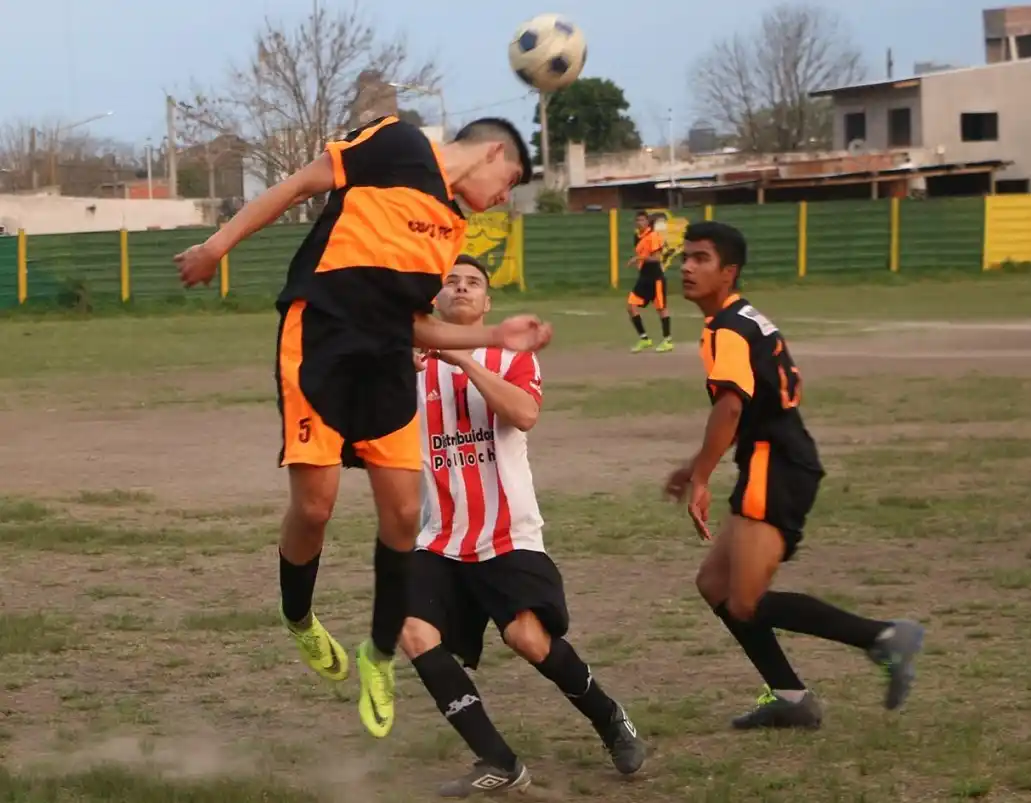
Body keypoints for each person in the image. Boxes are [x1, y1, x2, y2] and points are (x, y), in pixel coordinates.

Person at [173, 115, 552, 741]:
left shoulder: (451, 226)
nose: (504, 197)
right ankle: (299, 616)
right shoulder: (398, 142)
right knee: (315, 508)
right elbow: (299, 184)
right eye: (510, 181)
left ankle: (379, 653)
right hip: (319, 340)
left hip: (386, 362)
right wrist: (218, 246)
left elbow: (414, 325)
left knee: (402, 515)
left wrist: (493, 334)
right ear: (493, 153)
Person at [400, 254, 646, 797]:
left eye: (473, 283)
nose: (461, 288)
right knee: (413, 632)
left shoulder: (510, 356)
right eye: (451, 281)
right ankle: (498, 760)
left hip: (507, 533)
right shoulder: (408, 362)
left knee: (527, 638)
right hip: (439, 536)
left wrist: (462, 359)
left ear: (487, 302)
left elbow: (524, 414)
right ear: (436, 298)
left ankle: (609, 718)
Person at [664, 221, 925, 730]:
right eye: (685, 258)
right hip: (773, 457)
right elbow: (748, 407)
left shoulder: (727, 329)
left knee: (745, 602)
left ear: (728, 271)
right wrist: (694, 466)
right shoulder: (738, 318)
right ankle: (790, 697)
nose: (688, 268)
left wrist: (701, 478)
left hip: (776, 463)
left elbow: (731, 408)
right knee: (715, 583)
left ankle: (883, 637)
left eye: (701, 259)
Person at [626, 210, 673, 353]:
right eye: (638, 220)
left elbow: (656, 258)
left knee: (661, 308)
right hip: (644, 277)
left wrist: (638, 258)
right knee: (631, 306)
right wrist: (639, 261)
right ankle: (644, 339)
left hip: (655, 277)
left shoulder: (653, 236)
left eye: (642, 220)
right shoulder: (637, 237)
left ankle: (667, 340)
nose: (640, 223)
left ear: (647, 222)